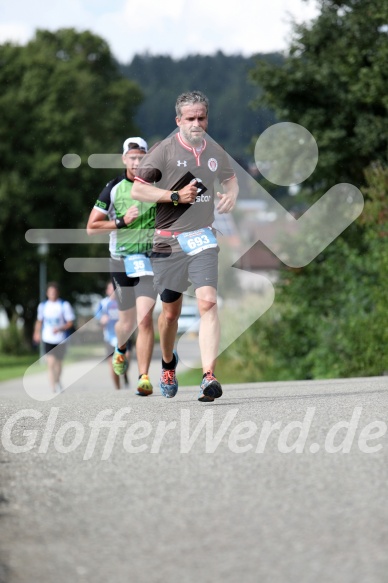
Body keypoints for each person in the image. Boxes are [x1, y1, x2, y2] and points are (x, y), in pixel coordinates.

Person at [132, 91, 239, 402]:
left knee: (207, 303)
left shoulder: (216, 150)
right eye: (190, 118)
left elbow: (230, 179)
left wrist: (230, 194)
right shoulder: (163, 151)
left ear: (207, 117)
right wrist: (175, 197)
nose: (196, 123)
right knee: (170, 314)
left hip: (203, 237)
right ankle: (168, 364)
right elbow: (140, 192)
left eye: (201, 117)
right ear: (178, 120)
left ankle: (208, 376)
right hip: (168, 241)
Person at [86, 137, 157, 396]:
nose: (137, 162)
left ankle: (144, 377)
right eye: (132, 157)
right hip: (121, 260)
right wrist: (121, 222)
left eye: (141, 157)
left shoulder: (156, 186)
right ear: (124, 159)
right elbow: (91, 227)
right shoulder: (114, 188)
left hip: (150, 260)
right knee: (126, 323)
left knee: (146, 319)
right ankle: (120, 348)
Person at [33, 281, 76, 393]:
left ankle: (57, 381)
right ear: (47, 293)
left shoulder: (64, 305)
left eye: (54, 292)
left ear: (58, 293)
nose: (52, 294)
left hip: (61, 339)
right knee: (50, 363)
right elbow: (39, 321)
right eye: (50, 292)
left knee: (59, 364)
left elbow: (70, 322)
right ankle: (53, 388)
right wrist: (37, 333)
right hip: (48, 338)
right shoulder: (43, 306)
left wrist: (61, 328)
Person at [95, 281, 133, 390]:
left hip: (124, 337)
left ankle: (124, 374)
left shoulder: (124, 303)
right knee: (112, 365)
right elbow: (97, 318)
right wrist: (102, 320)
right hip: (110, 338)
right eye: (111, 289)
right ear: (107, 291)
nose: (113, 291)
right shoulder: (103, 303)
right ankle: (117, 389)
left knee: (127, 358)